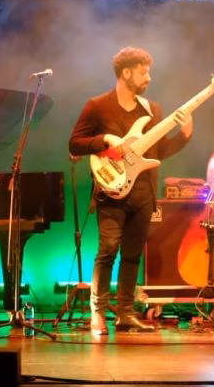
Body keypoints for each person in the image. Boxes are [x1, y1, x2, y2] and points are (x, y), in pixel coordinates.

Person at [69, 47, 193, 335]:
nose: (148, 77)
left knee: (132, 254)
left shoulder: (152, 111)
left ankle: (125, 313)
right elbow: (75, 143)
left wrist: (185, 136)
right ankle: (97, 313)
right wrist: (106, 140)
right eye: (143, 71)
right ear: (126, 73)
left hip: (142, 193)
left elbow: (158, 152)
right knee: (108, 249)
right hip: (110, 192)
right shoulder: (97, 106)